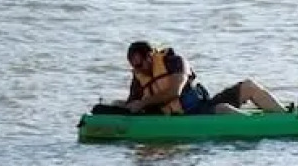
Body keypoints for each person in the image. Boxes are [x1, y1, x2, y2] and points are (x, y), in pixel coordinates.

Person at [117, 42, 286, 115]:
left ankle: (286, 119)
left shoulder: (175, 62)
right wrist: (128, 106)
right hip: (180, 118)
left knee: (249, 86)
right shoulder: (139, 77)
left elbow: (175, 92)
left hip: (200, 108)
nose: (137, 70)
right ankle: (261, 128)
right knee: (223, 110)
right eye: (134, 66)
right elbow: (132, 103)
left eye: (140, 65)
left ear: (150, 57)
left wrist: (144, 103)